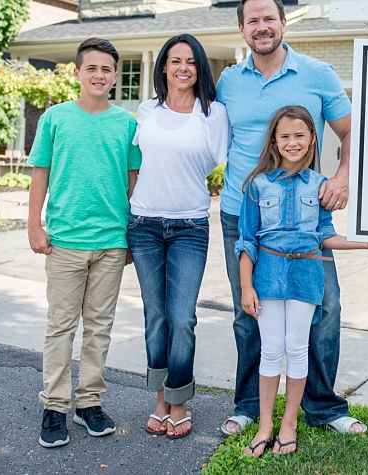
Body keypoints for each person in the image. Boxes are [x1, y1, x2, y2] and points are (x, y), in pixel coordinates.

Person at [216, 0, 367, 436]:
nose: (262, 27)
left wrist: (341, 178)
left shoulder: (317, 73)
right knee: (249, 310)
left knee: (324, 306)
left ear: (284, 24)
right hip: (242, 216)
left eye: (269, 19)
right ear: (241, 29)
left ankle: (323, 407)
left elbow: (353, 133)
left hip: (304, 219)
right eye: (252, 21)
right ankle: (247, 406)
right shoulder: (228, 81)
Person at [235, 106, 368, 457]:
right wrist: (247, 287)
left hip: (306, 275)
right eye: (285, 136)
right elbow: (246, 241)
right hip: (269, 276)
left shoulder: (320, 185)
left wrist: (367, 243)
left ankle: (288, 424)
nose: (293, 142)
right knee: (271, 349)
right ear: (274, 141)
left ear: (311, 140)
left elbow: (326, 235)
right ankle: (264, 426)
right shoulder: (257, 184)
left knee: (296, 347)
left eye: (300, 136)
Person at [27, 37, 141, 448]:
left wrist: (128, 235)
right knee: (60, 327)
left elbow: (132, 181)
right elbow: (40, 172)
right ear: (77, 73)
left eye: (106, 69)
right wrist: (34, 225)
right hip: (64, 241)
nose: (99, 75)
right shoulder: (55, 119)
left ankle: (88, 402)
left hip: (110, 242)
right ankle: (55, 406)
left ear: (115, 76)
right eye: (91, 68)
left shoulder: (126, 124)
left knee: (99, 327)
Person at [126, 34, 228, 439]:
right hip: (145, 225)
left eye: (190, 61)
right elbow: (134, 166)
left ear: (200, 68)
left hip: (189, 226)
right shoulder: (146, 110)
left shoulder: (213, 114)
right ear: (163, 67)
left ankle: (180, 399)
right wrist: (128, 214)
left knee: (182, 318)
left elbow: (228, 166)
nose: (183, 67)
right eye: (175, 60)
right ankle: (160, 399)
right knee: (156, 316)